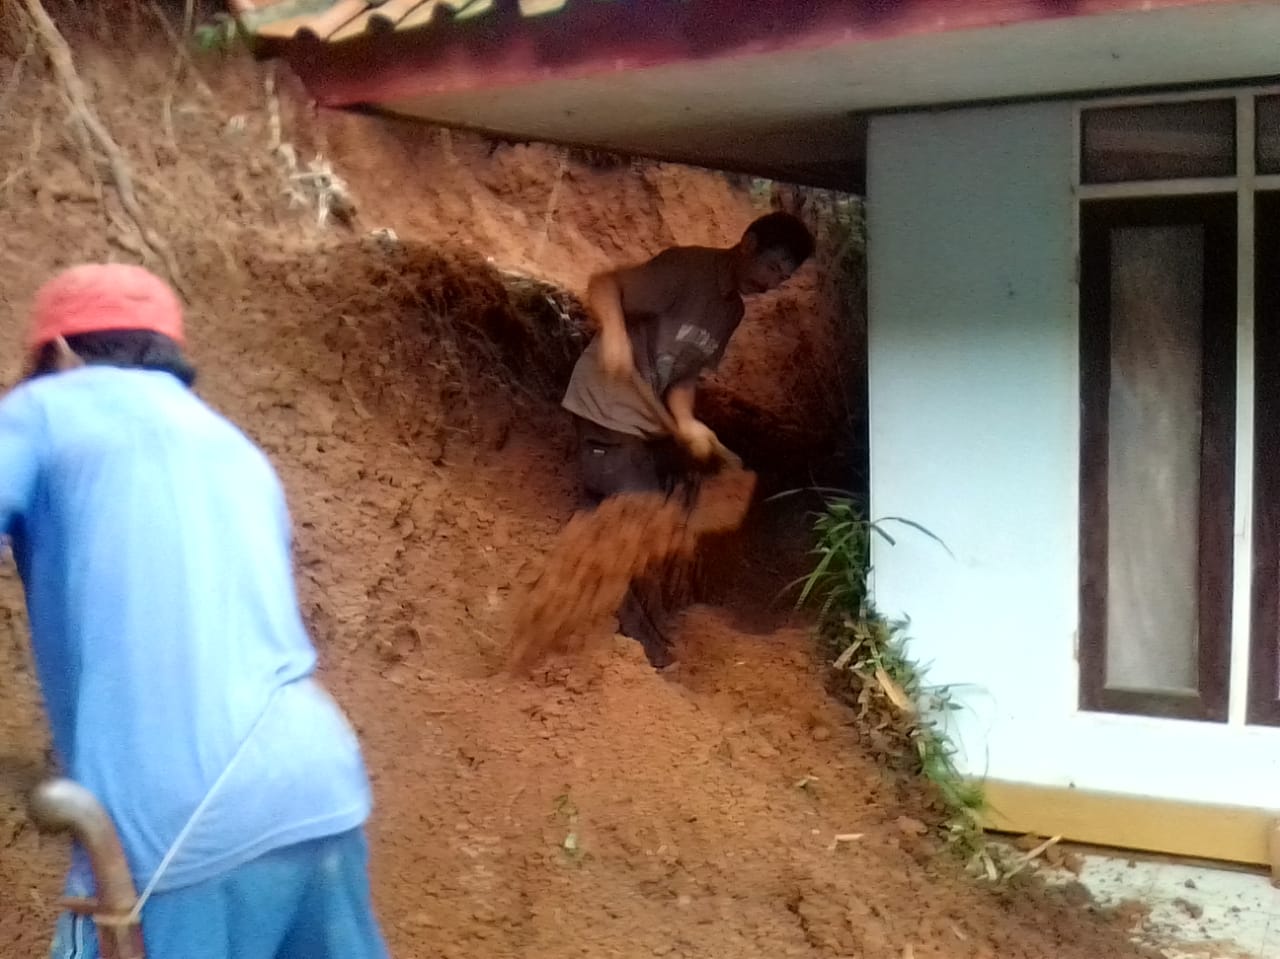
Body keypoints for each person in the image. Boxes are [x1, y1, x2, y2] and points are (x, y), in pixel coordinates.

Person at [0, 264, 389, 959]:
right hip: (319, 787)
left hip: (181, 819)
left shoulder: (48, 408)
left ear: (60, 353)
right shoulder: (237, 450)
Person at [561, 212, 815, 667]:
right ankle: (621, 634)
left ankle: (613, 587)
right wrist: (616, 336)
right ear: (748, 244)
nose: (774, 283)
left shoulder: (729, 311)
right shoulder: (686, 270)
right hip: (605, 401)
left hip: (646, 415)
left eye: (784, 278)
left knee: (677, 492)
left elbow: (685, 374)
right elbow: (604, 285)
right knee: (638, 509)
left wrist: (686, 421)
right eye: (773, 268)